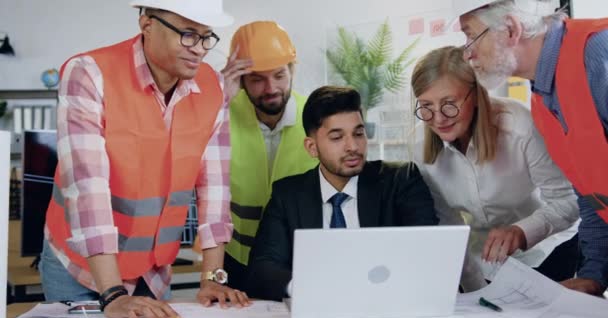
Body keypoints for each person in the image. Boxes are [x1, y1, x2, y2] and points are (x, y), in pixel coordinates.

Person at [40, 1, 250, 318]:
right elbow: (87, 190)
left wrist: (211, 277)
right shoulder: (90, 74)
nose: (199, 49)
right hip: (80, 269)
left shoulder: (213, 88)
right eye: (188, 34)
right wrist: (112, 294)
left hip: (151, 272)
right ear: (147, 24)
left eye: (207, 37)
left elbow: (215, 188)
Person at [455, 0, 608, 296]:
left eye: (470, 36)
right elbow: (594, 197)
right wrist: (593, 275)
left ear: (511, 29)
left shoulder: (597, 53)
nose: (467, 53)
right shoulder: (542, 102)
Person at [410, 46, 579, 291]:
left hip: (548, 249)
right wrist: (474, 287)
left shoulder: (519, 126)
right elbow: (449, 225)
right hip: (487, 261)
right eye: (426, 106)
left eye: (449, 103)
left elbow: (568, 201)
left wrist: (522, 231)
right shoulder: (418, 146)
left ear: (477, 95)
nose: (438, 119)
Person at [246, 85, 438, 301]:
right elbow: (261, 269)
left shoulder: (401, 180)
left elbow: (425, 253)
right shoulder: (288, 195)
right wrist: (305, 289)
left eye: (359, 133)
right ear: (312, 147)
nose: (353, 146)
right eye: (337, 137)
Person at [193, 21, 318, 291]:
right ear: (240, 79)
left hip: (299, 260)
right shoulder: (219, 117)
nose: (270, 88)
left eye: (279, 75)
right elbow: (188, 169)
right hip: (234, 260)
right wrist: (218, 102)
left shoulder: (316, 117)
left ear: (292, 71)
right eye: (257, 79)